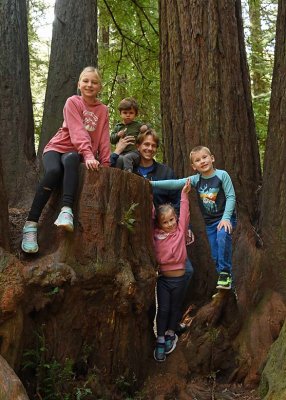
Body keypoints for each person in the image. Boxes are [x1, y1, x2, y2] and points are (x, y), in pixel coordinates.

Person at [21, 66, 110, 253]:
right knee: (54, 172)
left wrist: (106, 164)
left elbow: (103, 137)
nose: (89, 85)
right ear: (79, 84)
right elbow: (78, 133)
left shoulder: (102, 110)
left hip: (74, 154)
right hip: (56, 148)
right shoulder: (73, 102)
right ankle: (30, 225)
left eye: (94, 82)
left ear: (100, 87)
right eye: (85, 81)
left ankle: (66, 211)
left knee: (71, 160)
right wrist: (88, 155)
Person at [111, 131, 194, 331]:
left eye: (153, 146)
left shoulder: (165, 172)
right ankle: (147, 328)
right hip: (135, 233)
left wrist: (185, 227)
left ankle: (173, 318)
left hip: (166, 234)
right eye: (145, 145)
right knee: (142, 277)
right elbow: (110, 174)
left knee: (188, 271)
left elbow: (177, 201)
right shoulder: (128, 167)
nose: (149, 148)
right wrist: (117, 151)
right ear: (138, 146)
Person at [150, 145, 236, 291]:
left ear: (212, 158)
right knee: (215, 255)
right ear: (193, 166)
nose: (202, 161)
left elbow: (231, 196)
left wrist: (226, 218)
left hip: (224, 219)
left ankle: (225, 273)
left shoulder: (222, 175)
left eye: (204, 157)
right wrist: (150, 183)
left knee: (222, 237)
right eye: (197, 160)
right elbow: (176, 184)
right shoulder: (196, 180)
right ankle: (227, 285)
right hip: (210, 224)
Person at [152, 179, 191, 362]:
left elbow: (185, 214)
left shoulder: (180, 232)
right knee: (164, 309)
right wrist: (149, 194)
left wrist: (184, 194)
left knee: (175, 308)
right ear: (159, 224)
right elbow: (150, 214)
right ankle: (160, 338)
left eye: (171, 219)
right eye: (165, 222)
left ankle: (170, 333)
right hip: (163, 280)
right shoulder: (155, 235)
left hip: (180, 280)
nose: (169, 224)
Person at [110, 98, 148, 172]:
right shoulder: (118, 126)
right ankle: (117, 174)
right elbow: (111, 139)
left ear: (135, 114)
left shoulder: (137, 125)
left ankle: (128, 173)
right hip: (121, 152)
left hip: (134, 153)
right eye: (125, 112)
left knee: (128, 158)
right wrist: (118, 135)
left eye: (131, 113)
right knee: (118, 159)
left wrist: (146, 127)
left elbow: (148, 129)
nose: (128, 115)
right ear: (120, 113)